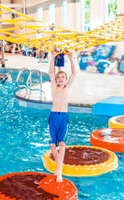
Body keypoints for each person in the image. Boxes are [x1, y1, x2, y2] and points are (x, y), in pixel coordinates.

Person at [48, 49, 77, 182]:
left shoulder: (67, 87)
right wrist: (53, 57)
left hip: (63, 117)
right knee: (52, 145)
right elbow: (51, 72)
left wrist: (71, 57)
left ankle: (59, 169)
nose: (60, 79)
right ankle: (59, 165)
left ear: (65, 80)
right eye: (58, 77)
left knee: (62, 144)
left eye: (62, 77)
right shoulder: (54, 87)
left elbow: (74, 73)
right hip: (53, 116)